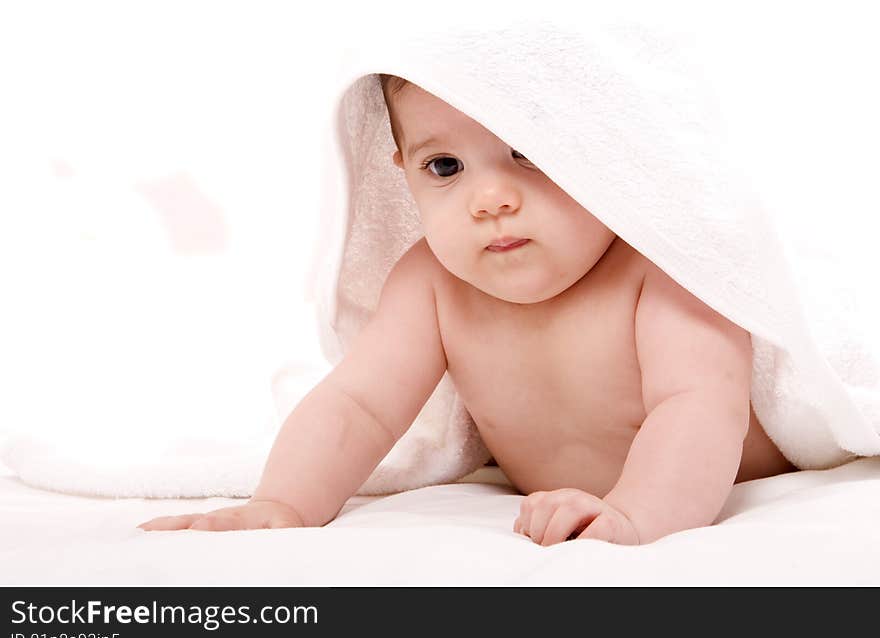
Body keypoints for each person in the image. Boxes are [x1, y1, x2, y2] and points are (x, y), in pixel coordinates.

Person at [139, 74, 797, 545]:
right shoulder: (434, 283)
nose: (488, 198)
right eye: (446, 165)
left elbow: (699, 409)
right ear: (402, 170)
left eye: (529, 150)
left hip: (680, 487)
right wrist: (282, 501)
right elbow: (358, 405)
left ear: (605, 151)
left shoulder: (661, 268)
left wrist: (636, 515)